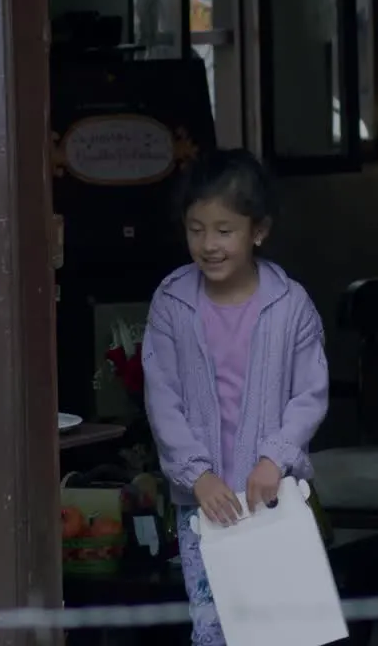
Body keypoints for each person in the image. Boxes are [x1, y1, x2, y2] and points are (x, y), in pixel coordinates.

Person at [142, 148, 330, 645]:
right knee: (213, 629)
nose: (209, 245)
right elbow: (163, 401)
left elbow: (309, 395)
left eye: (224, 231)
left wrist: (275, 459)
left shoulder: (290, 306)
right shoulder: (172, 303)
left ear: (258, 231)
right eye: (196, 229)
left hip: (272, 500)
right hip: (202, 505)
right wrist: (197, 476)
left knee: (278, 632)